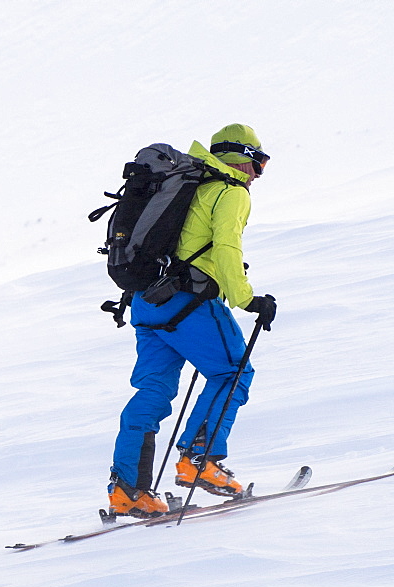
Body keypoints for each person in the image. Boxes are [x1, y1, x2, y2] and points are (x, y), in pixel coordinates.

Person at [107, 124, 277, 518]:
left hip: (146, 303)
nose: (258, 174)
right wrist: (247, 299)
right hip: (189, 302)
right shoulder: (229, 192)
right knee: (233, 371)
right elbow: (227, 247)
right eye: (259, 163)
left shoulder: (186, 183)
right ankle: (202, 462)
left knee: (153, 391)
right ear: (242, 158)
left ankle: (127, 489)